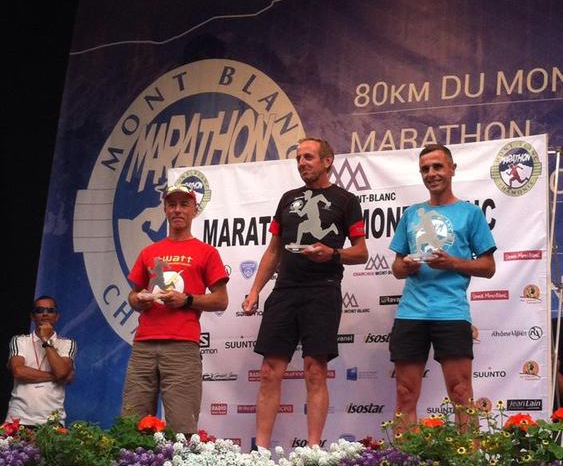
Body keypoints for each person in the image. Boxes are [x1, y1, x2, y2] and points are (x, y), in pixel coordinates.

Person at [242, 137, 368, 448]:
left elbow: (362, 252)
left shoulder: (346, 200)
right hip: (284, 290)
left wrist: (332, 253)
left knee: (315, 371)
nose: (302, 163)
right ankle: (260, 451)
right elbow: (274, 250)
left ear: (327, 161)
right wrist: (254, 290)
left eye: (308, 157)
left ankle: (313, 451)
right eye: (298, 158)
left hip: (322, 291)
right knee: (269, 371)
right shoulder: (287, 199)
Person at [389, 143, 496, 431]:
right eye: (425, 169)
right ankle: (404, 459)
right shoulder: (412, 214)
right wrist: (407, 266)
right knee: (404, 394)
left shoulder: (471, 214)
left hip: (451, 312)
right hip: (410, 313)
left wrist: (452, 263)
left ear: (452, 169)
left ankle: (469, 460)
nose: (431, 173)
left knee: (461, 393)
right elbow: (396, 268)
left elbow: (488, 267)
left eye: (437, 166)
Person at [122, 183, 229, 435]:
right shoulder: (149, 251)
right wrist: (140, 299)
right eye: (172, 205)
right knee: (132, 425)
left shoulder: (206, 252)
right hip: (144, 345)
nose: (177, 210)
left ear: (194, 210)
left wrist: (187, 300)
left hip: (182, 345)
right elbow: (133, 295)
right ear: (165, 210)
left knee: (182, 428)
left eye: (184, 204)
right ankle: (135, 462)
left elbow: (221, 300)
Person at [7, 296, 77, 426]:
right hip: (18, 418)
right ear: (32, 316)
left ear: (57, 316)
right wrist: (57, 377)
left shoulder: (67, 343)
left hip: (52, 420)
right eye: (39, 310)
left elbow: (61, 371)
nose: (45, 314)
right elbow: (18, 372)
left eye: (50, 310)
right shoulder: (19, 341)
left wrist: (45, 340)